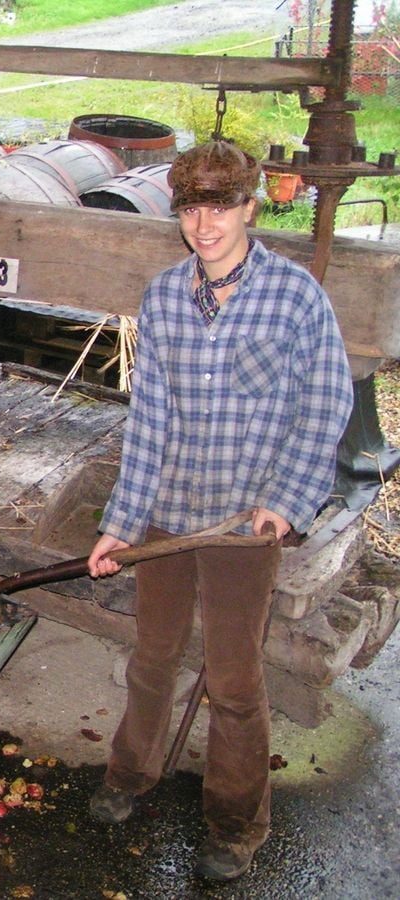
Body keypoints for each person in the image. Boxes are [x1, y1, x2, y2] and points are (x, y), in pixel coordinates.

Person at [84, 141, 353, 882]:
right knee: (152, 658)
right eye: (192, 208)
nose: (205, 225)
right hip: (170, 516)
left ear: (251, 208)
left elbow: (327, 402)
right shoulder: (166, 297)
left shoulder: (295, 296)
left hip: (243, 525)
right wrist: (121, 524)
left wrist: (287, 500)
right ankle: (130, 775)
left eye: (222, 206)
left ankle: (237, 824)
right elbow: (152, 422)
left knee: (235, 681)